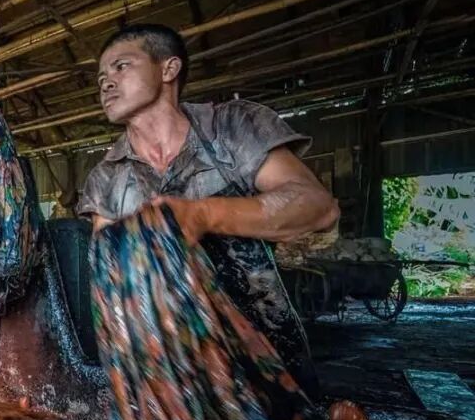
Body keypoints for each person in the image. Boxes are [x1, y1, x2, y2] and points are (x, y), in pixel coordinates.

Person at [76, 24, 339, 397]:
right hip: (172, 373)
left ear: (169, 69)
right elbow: (111, 285)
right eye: (102, 77)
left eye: (121, 66)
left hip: (268, 353)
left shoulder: (232, 128)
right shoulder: (105, 179)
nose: (106, 83)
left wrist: (200, 216)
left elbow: (316, 206)